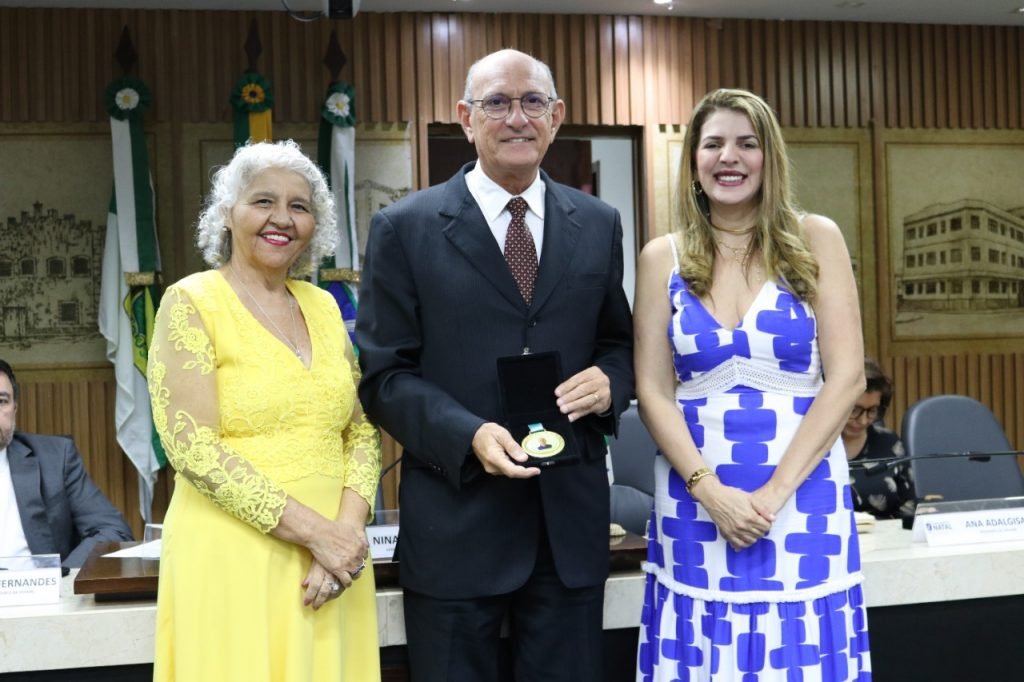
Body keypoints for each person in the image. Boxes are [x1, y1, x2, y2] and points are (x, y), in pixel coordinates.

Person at [356, 49, 634, 681]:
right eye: (497, 103)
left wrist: (610, 382)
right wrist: (468, 433)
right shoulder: (406, 228)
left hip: (569, 525)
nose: (517, 118)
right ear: (465, 117)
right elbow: (384, 377)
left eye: (532, 102)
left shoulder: (597, 223)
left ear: (557, 116)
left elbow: (619, 343)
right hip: (458, 522)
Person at [633, 88, 871, 679]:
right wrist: (711, 493)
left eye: (747, 143)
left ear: (770, 157)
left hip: (801, 497)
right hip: (695, 499)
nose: (728, 157)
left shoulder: (817, 239)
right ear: (693, 159)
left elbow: (846, 378)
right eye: (713, 144)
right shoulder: (660, 257)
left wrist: (771, 496)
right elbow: (653, 391)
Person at [147, 140, 381, 681]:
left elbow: (361, 430)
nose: (282, 219)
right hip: (236, 556)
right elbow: (192, 449)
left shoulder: (325, 306)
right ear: (228, 213)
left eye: (299, 207)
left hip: (335, 569)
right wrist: (312, 533)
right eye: (263, 202)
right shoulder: (191, 301)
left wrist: (343, 536)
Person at [0, 359, 134, 568]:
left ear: (15, 409)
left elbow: (113, 530)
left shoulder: (55, 458)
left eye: (2, 401)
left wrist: (59, 580)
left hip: (38, 596)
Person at [846, 358, 915, 520]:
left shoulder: (889, 443)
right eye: (855, 409)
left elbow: (909, 505)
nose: (863, 420)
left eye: (872, 410)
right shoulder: (814, 447)